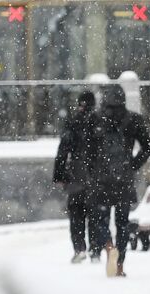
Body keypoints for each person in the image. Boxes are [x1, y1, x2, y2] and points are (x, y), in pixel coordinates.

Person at [81, 84, 150, 278]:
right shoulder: (133, 120)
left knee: (100, 220)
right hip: (123, 179)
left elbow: (87, 151)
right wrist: (133, 165)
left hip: (102, 180)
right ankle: (120, 264)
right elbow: (147, 145)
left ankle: (108, 245)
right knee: (123, 223)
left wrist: (93, 171)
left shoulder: (94, 119)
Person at [54, 90, 96, 264]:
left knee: (76, 214)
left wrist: (59, 175)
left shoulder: (73, 122)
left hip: (76, 175)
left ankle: (79, 248)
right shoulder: (100, 121)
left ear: (80, 104)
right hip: (95, 175)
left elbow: (62, 151)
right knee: (95, 214)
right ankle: (96, 248)